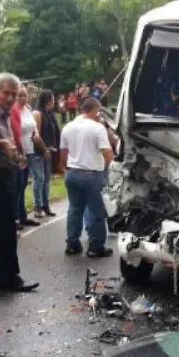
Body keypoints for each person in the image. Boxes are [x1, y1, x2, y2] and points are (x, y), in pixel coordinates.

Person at [0, 73, 39, 292]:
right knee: (5, 227)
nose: (11, 98)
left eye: (14, 94)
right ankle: (10, 278)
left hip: (5, 171)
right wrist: (1, 143)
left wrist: (15, 154)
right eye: (7, 93)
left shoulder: (5, 113)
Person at [60, 97, 115, 257]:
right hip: (91, 174)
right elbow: (107, 152)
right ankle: (95, 246)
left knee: (74, 209)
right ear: (96, 110)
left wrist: (66, 169)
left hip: (72, 173)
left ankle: (72, 243)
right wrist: (110, 168)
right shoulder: (97, 128)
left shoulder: (68, 127)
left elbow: (63, 153)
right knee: (96, 210)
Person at [14, 86, 47, 228]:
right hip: (18, 152)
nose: (22, 98)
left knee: (23, 185)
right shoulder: (13, 111)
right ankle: (16, 216)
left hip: (30, 150)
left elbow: (34, 126)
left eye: (24, 95)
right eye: (19, 96)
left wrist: (36, 134)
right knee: (18, 185)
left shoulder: (27, 109)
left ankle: (23, 216)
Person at [32, 89, 61, 218]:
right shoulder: (38, 113)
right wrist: (44, 149)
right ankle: (37, 206)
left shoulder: (50, 113)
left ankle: (45, 204)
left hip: (49, 150)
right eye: (53, 98)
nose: (54, 100)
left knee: (47, 180)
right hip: (39, 151)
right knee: (39, 179)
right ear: (49, 99)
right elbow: (36, 134)